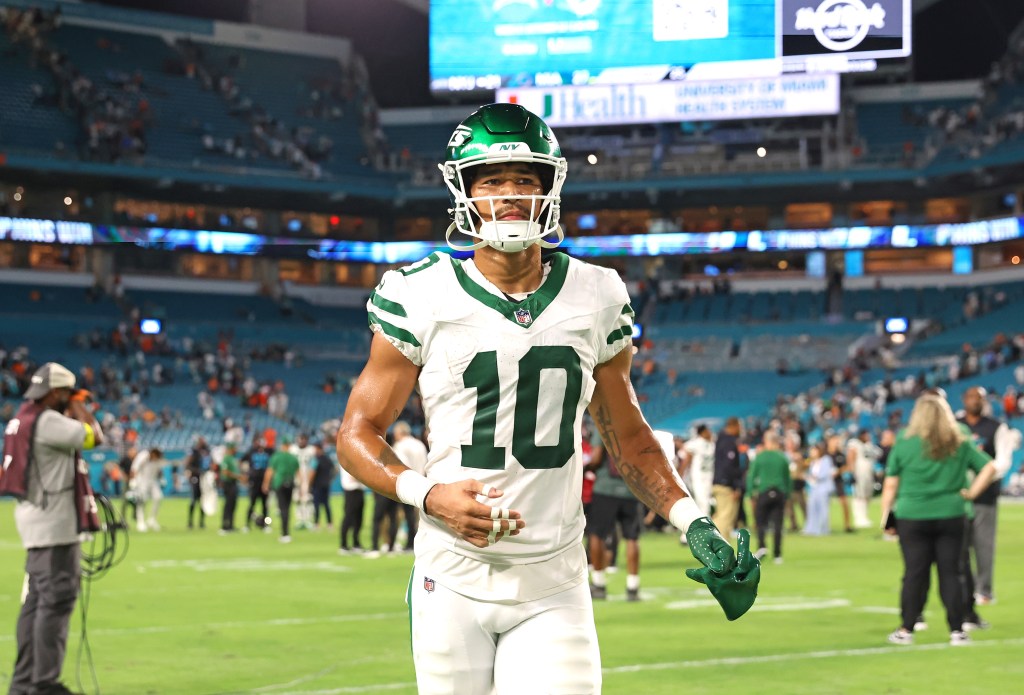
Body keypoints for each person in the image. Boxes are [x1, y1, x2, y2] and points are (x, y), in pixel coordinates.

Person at [336, 103, 758, 695]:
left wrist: (693, 523)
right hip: (452, 575)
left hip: (554, 579)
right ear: (463, 191)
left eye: (525, 180)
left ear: (550, 187)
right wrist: (428, 494)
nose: (510, 195)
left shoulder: (597, 293)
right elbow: (357, 433)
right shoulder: (420, 293)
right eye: (491, 180)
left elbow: (629, 438)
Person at [882, 393, 1019, 646]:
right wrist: (971, 493)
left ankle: (906, 629)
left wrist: (886, 519)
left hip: (913, 515)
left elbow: (890, 485)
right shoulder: (959, 440)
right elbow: (989, 467)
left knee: (914, 573)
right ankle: (958, 630)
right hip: (952, 514)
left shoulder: (905, 442)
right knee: (952, 573)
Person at [5, 362, 104, 695]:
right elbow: (94, 435)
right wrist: (78, 404)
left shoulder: (24, 418)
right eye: (67, 394)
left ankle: (24, 683)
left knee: (35, 604)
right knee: (56, 602)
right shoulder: (48, 421)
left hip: (35, 520)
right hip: (55, 525)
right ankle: (44, 683)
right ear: (58, 393)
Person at [957, 386, 1001, 606]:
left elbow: (999, 463)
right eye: (971, 396)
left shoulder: (995, 426)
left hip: (985, 496)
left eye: (979, 398)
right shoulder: (954, 425)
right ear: (964, 398)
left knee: (984, 546)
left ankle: (984, 590)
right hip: (958, 495)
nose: (975, 400)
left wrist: (980, 484)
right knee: (959, 547)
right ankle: (964, 589)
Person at [747, 431, 791, 564]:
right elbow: (788, 478)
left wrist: (750, 493)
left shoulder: (760, 457)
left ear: (766, 441)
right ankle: (777, 555)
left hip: (764, 492)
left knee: (761, 522)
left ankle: (762, 546)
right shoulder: (782, 457)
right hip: (779, 493)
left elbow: (752, 476)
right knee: (778, 524)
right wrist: (787, 494)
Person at [390, 421, 426, 552]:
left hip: (407, 484)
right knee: (415, 516)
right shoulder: (420, 444)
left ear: (399, 433)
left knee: (399, 514)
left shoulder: (400, 446)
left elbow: (401, 466)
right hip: (422, 482)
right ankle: (414, 542)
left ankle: (401, 541)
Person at [711, 417, 743, 537]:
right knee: (725, 516)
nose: (740, 429)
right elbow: (729, 466)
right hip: (725, 484)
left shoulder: (720, 440)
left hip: (719, 482)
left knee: (721, 515)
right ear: (733, 426)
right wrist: (736, 486)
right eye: (739, 426)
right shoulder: (728, 442)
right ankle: (719, 548)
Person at [263, 437, 300, 543]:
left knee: (282, 508)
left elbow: (270, 471)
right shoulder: (293, 458)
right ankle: (286, 532)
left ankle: (285, 533)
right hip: (290, 483)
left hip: (279, 484)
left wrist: (265, 484)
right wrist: (302, 487)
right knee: (287, 508)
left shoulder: (276, 457)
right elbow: (298, 473)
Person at [847, 429, 881, 529]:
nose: (868, 437)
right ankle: (859, 518)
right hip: (859, 473)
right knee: (859, 495)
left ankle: (865, 516)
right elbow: (850, 457)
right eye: (866, 435)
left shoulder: (869, 445)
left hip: (868, 474)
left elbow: (877, 455)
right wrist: (852, 472)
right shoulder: (855, 444)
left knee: (867, 495)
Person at [130, 447, 164, 532]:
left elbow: (159, 470)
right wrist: (133, 480)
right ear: (152, 453)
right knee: (141, 501)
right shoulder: (143, 456)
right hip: (142, 480)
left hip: (153, 481)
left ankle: (152, 520)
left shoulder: (158, 459)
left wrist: (162, 479)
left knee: (158, 497)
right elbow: (134, 468)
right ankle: (140, 522)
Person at [242, 438, 273, 532]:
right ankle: (247, 524)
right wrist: (246, 474)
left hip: (264, 482)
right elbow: (242, 461)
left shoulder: (268, 453)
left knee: (265, 505)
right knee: (252, 504)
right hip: (254, 482)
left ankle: (266, 525)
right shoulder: (251, 452)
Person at [803, 443, 834, 536]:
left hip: (823, 487)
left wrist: (814, 476)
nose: (812, 453)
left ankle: (823, 529)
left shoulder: (826, 460)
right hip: (814, 487)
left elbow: (824, 474)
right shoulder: (812, 462)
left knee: (823, 509)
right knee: (812, 508)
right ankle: (811, 528)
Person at [338, 454, 366, 554]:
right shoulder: (347, 458)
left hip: (359, 489)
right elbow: (354, 475)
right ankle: (343, 544)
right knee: (348, 517)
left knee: (358, 518)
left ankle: (356, 542)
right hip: (351, 489)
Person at [289, 433, 317, 531]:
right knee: (297, 499)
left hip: (307, 478)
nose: (301, 441)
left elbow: (314, 465)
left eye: (303, 439)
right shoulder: (292, 449)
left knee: (307, 499)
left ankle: (307, 520)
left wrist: (310, 480)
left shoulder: (311, 450)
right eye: (300, 439)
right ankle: (299, 519)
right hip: (296, 478)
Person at [219, 442, 245, 533]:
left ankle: (231, 525)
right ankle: (224, 525)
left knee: (233, 504)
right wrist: (238, 477)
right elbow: (225, 472)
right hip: (228, 483)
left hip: (233, 483)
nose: (236, 450)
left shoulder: (233, 459)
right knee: (228, 504)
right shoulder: (226, 458)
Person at [185, 436, 210, 529]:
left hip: (204, 478)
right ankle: (190, 522)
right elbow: (188, 465)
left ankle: (201, 522)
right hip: (195, 477)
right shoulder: (194, 452)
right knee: (194, 500)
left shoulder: (206, 451)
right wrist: (198, 471)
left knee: (202, 500)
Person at [310, 442, 336, 530]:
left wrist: (310, 484)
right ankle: (330, 524)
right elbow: (335, 469)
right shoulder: (327, 459)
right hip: (326, 484)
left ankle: (316, 524)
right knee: (326, 504)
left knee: (316, 504)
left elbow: (312, 473)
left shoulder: (316, 460)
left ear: (318, 449)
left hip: (317, 485)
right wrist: (330, 479)